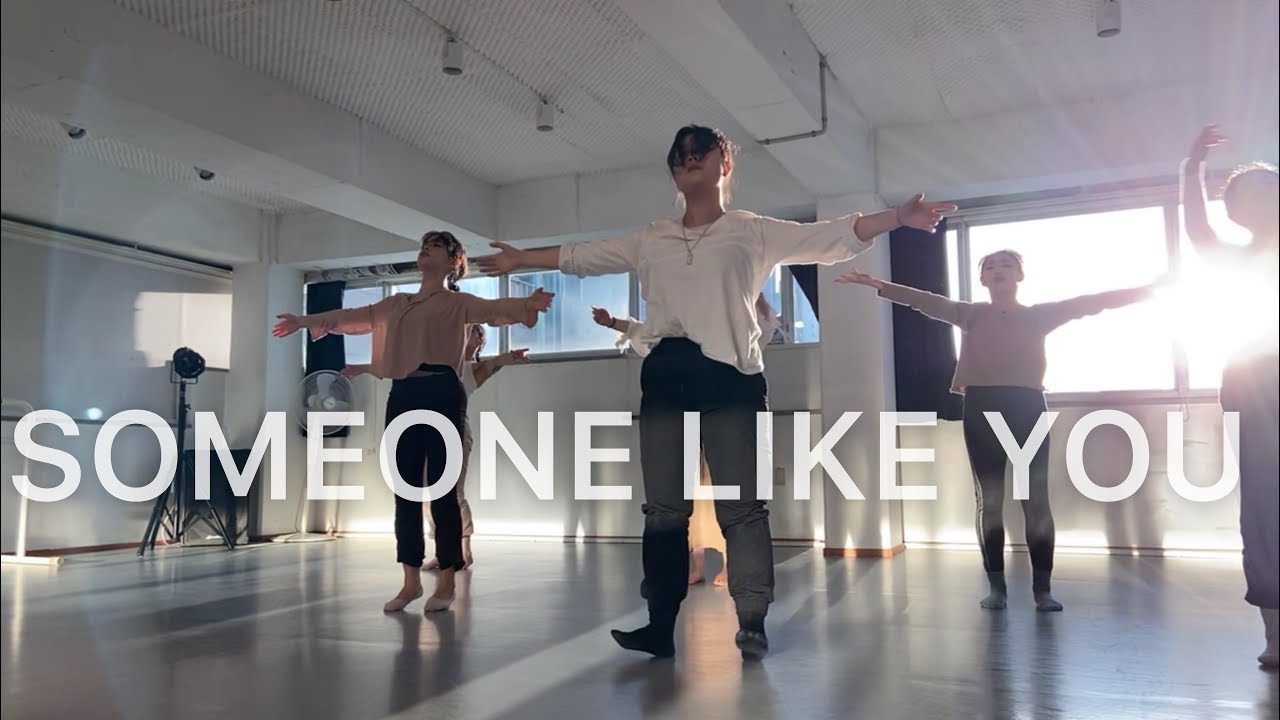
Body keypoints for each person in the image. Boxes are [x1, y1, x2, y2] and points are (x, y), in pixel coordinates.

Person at [475, 124, 954, 660]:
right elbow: (583, 256)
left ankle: (751, 621)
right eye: (679, 154)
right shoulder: (651, 237)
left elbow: (831, 236)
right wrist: (519, 261)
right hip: (666, 373)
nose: (688, 159)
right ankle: (660, 624)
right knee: (663, 510)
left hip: (730, 378)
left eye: (699, 151)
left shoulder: (750, 230)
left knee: (742, 507)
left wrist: (897, 217)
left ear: (724, 164)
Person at [837, 251, 1166, 612]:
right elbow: (924, 301)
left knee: (1035, 500)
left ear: (1019, 275)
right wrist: (876, 284)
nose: (998, 271)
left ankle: (1043, 590)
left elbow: (1089, 303)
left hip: (1027, 407)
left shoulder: (1038, 315)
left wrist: (1144, 291)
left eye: (1006, 265)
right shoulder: (970, 314)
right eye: (990, 267)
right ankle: (997, 588)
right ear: (982, 280)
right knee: (989, 501)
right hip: (981, 406)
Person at [273, 231, 553, 614]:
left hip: (442, 391)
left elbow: (493, 309)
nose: (426, 250)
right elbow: (352, 317)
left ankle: (447, 580)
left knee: (443, 491)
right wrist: (304, 320)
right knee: (405, 491)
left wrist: (527, 304)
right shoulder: (397, 303)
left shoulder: (457, 303)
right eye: (424, 246)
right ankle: (410, 581)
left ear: (454, 262)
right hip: (403, 393)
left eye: (435, 246)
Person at [592, 295, 783, 588]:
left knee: (732, 494)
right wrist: (613, 323)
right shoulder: (680, 322)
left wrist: (751, 293)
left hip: (727, 409)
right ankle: (694, 563)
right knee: (685, 491)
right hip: (686, 411)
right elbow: (652, 335)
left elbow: (764, 325)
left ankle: (731, 564)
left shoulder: (736, 323)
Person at [1182, 124, 1279, 668]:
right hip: (1259, 390)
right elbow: (1197, 229)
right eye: (1251, 192)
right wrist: (1192, 166)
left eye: (1272, 186)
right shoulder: (1235, 260)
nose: (1266, 196)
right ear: (1237, 211)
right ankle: (1276, 633)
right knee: (1265, 514)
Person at [345, 324, 531, 571]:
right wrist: (361, 368)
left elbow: (496, 363)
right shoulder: (438, 363)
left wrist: (511, 357)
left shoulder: (474, 369)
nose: (467, 334)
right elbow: (395, 366)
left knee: (452, 492)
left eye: (474, 332)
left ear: (480, 340)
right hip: (427, 428)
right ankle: (443, 551)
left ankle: (464, 551)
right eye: (465, 330)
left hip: (457, 430)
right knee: (425, 493)